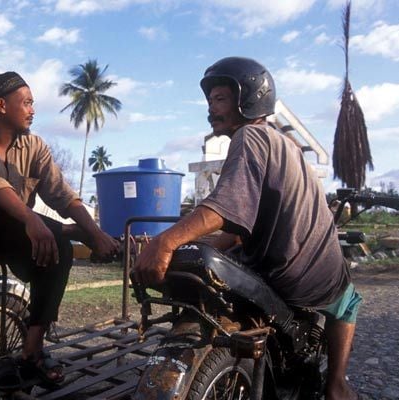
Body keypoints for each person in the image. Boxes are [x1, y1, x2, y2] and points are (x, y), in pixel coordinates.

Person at [133, 57, 361, 400]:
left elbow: (226, 208)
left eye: (220, 99)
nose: (211, 109)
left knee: (348, 301)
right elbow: (237, 223)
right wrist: (182, 244)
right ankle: (337, 383)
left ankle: (336, 385)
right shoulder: (280, 143)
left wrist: (166, 243)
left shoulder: (250, 137)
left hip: (287, 273)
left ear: (249, 99)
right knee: (347, 301)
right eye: (210, 102)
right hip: (300, 273)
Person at [0, 71, 119, 385]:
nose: (32, 110)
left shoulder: (34, 146)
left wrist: (94, 233)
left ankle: (32, 350)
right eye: (26, 103)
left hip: (19, 237)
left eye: (32, 103)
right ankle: (64, 230)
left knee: (61, 249)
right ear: (1, 105)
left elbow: (60, 193)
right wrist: (33, 220)